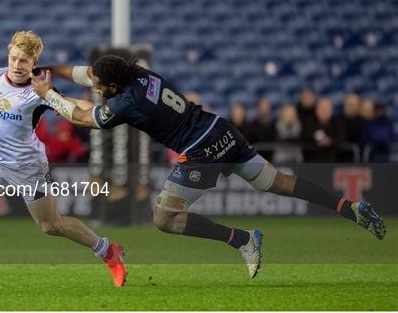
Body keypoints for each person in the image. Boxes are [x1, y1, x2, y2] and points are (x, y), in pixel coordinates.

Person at [30, 55, 386, 279]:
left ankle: (243, 240)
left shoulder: (125, 103)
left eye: (97, 85)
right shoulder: (138, 73)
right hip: (221, 129)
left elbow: (81, 117)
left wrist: (47, 94)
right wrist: (51, 71)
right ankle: (350, 207)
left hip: (200, 150)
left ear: (111, 86)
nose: (93, 85)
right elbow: (88, 74)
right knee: (276, 182)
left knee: (164, 219)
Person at [0, 32, 126, 287]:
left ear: (34, 62)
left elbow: (71, 106)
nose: (18, 65)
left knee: (51, 226)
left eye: (24, 60)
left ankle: (108, 250)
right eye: (14, 58)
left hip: (29, 167)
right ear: (9, 55)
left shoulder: (39, 89)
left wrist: (106, 114)